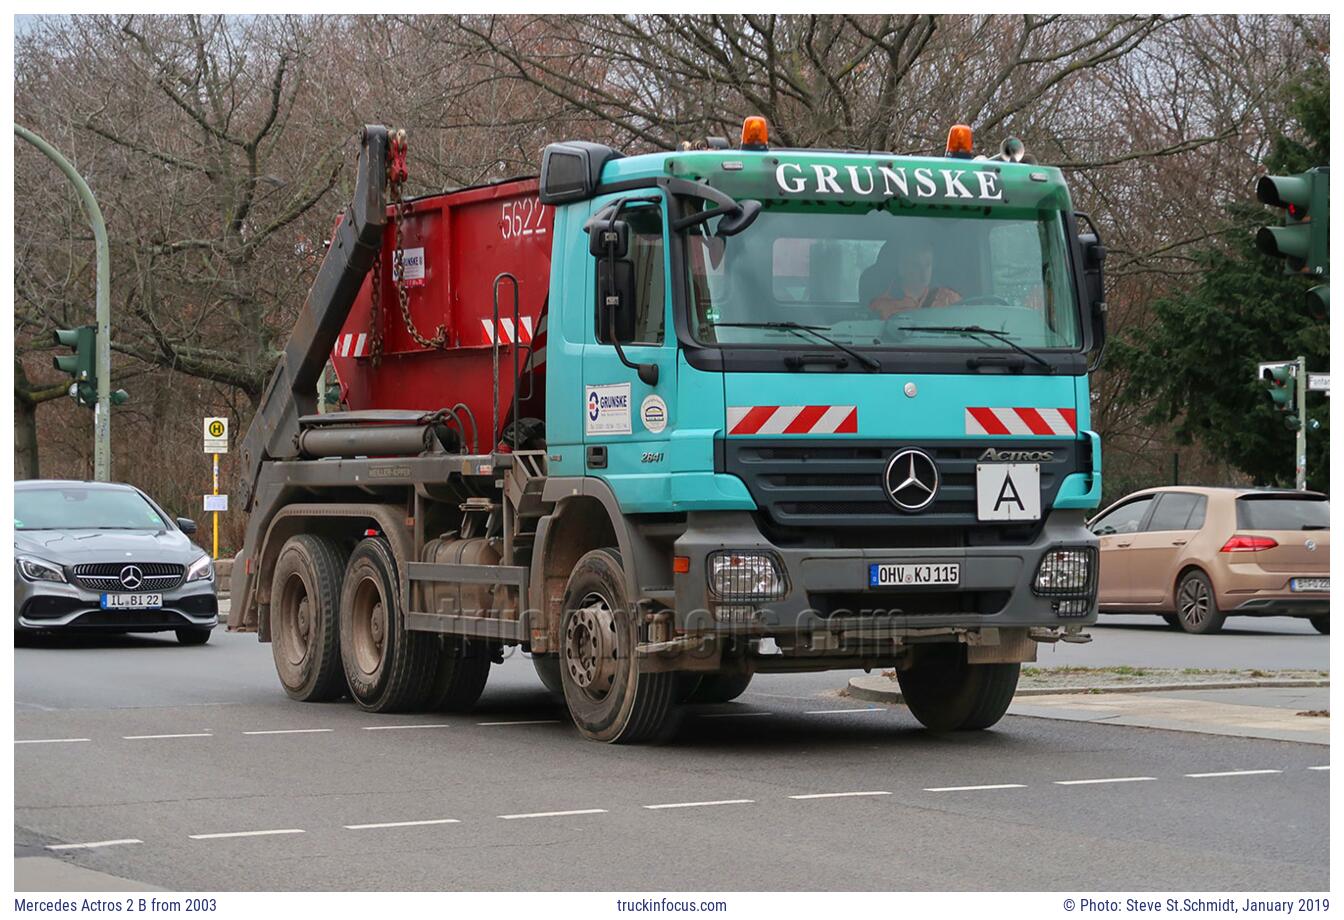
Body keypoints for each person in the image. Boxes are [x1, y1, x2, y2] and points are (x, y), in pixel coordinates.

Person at [861, 237, 961, 320]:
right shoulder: (880, 307)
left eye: (927, 265)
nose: (924, 271)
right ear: (902, 268)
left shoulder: (950, 300)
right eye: (916, 265)